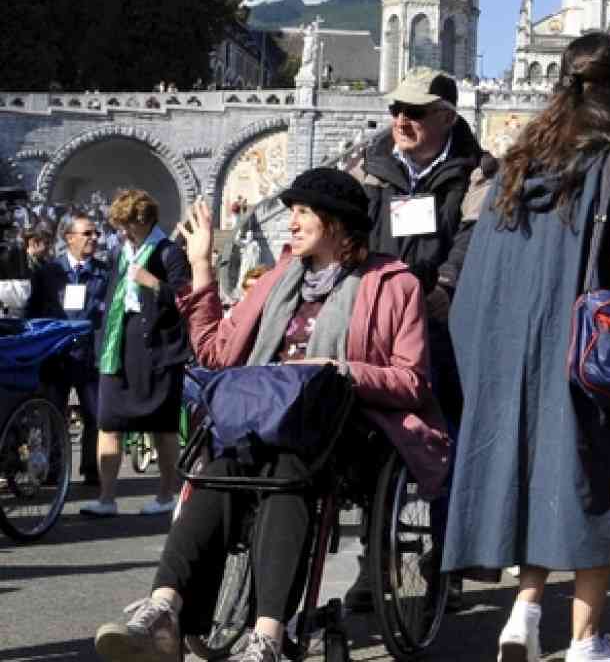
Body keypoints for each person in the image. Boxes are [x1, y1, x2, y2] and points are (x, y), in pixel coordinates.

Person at [93, 173, 448, 662]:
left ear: (337, 224)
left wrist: (338, 369)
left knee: (288, 469)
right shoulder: (278, 278)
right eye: (292, 211)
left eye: (303, 212)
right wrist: (201, 268)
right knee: (219, 468)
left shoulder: (393, 283)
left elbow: (412, 382)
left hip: (342, 427)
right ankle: (164, 611)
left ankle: (266, 637)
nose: (292, 222)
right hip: (264, 415)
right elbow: (215, 354)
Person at [443, 32, 610, 662]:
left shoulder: (521, 159)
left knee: (536, 473)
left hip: (513, 350)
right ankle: (585, 639)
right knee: (598, 478)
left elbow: (482, 266)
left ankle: (522, 615)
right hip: (593, 349)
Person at [347, 68, 480, 608]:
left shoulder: (477, 172)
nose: (401, 120)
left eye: (416, 112)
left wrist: (445, 285)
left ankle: (446, 564)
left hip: (443, 325)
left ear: (446, 116)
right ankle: (372, 562)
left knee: (448, 442)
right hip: (380, 320)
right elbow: (350, 229)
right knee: (372, 441)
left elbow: (473, 238)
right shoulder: (371, 167)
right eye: (396, 110)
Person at [80, 189, 191, 518]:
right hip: (118, 345)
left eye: (128, 224)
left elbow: (186, 299)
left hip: (157, 350)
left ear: (144, 220)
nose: (123, 231)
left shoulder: (170, 252)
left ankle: (166, 495)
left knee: (163, 426)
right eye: (120, 225)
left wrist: (152, 283)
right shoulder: (121, 251)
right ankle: (106, 498)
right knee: (109, 422)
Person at [26, 212, 112, 486]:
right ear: (69, 238)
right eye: (87, 233)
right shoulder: (48, 273)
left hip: (90, 356)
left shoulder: (105, 273)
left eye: (96, 233)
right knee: (53, 412)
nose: (94, 238)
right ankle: (53, 470)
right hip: (56, 354)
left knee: (95, 414)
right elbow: (33, 312)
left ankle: (92, 469)